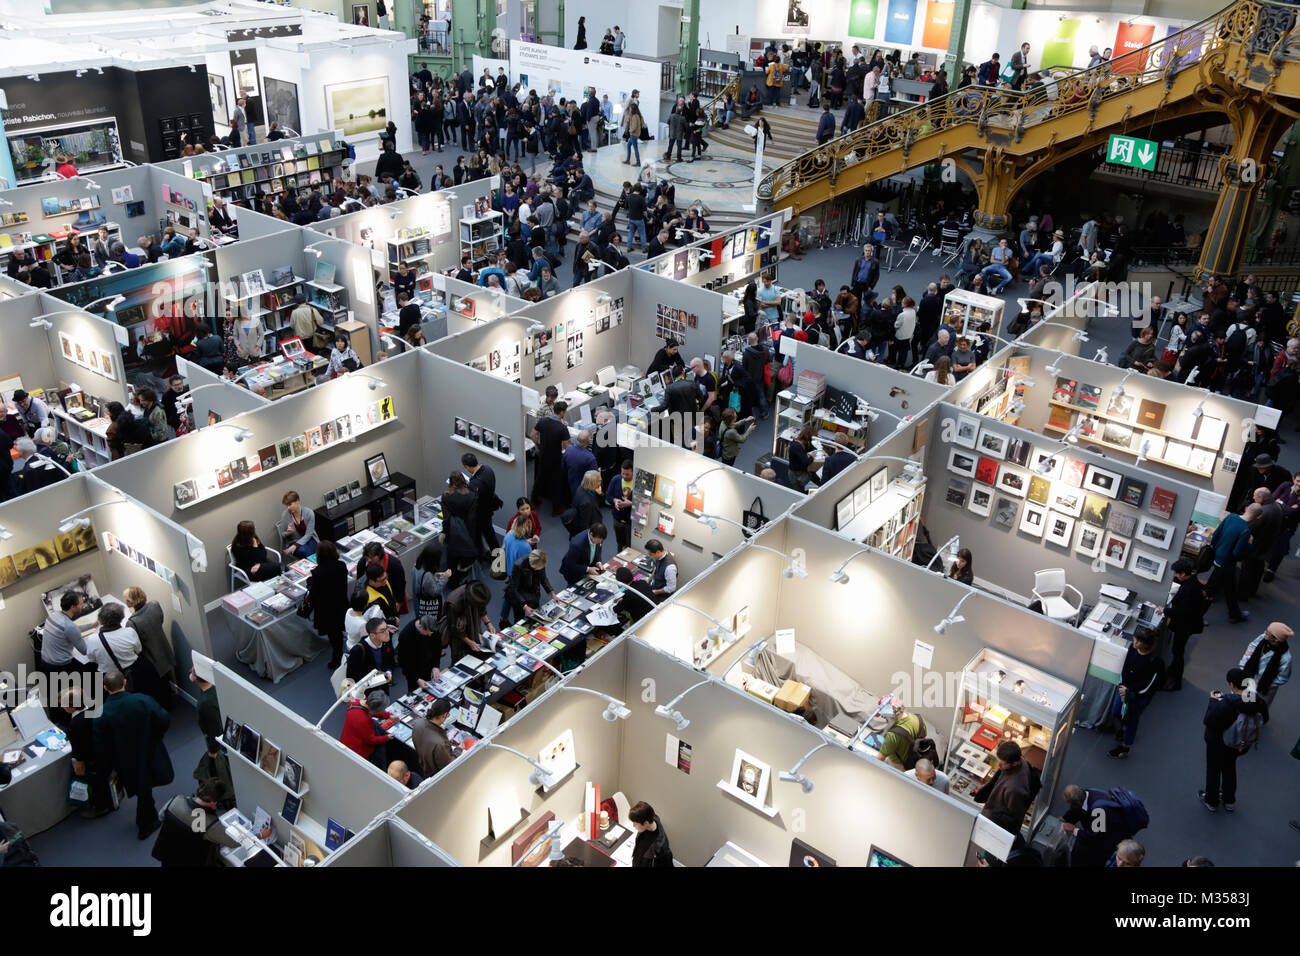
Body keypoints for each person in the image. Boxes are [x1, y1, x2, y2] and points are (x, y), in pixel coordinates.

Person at [94, 670, 173, 840]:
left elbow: (101, 745)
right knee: (145, 786)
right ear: (124, 682)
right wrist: (155, 736)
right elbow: (163, 719)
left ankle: (146, 819)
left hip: (123, 758)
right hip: (148, 749)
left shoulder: (101, 714)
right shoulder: (142, 700)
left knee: (140, 786)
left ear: (105, 688)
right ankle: (146, 823)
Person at [1201, 667, 1270, 812]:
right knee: (1229, 768)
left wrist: (1214, 701)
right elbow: (1265, 718)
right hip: (1240, 745)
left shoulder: (1228, 702)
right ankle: (1229, 800)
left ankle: (1211, 801)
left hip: (1219, 743)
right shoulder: (1256, 701)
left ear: (1232, 685)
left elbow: (1210, 721)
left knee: (1213, 769)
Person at [152, 780, 246, 867]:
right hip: (189, 861)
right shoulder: (210, 824)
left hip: (167, 852)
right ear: (214, 802)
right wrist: (258, 835)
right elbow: (234, 843)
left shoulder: (175, 800)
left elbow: (161, 816)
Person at [1106, 627, 1164, 759]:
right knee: (1116, 711)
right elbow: (1124, 669)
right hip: (1125, 690)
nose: (1135, 643)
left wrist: (1129, 691)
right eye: (1135, 639)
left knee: (1132, 720)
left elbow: (1150, 684)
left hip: (1139, 697)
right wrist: (1122, 687)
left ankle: (1125, 747)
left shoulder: (1155, 661)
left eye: (1138, 641)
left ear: (1147, 644)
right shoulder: (1133, 649)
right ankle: (1123, 730)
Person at [1061, 784, 1138, 868]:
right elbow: (1077, 810)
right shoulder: (1086, 793)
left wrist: (1074, 830)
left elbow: (1093, 837)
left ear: (1078, 803)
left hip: (1111, 841)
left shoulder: (1098, 810)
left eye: (1072, 804)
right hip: (1107, 831)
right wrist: (1065, 818)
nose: (1071, 807)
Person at [123, 587, 174, 710]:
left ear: (130, 602)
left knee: (157, 686)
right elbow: (160, 620)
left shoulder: (132, 623)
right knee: (166, 680)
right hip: (164, 649)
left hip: (150, 657)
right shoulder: (155, 605)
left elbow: (136, 643)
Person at [1161, 559, 1208, 691]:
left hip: (1185, 625)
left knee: (1177, 651)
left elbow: (1182, 612)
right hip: (1188, 624)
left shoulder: (1189, 588)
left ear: (1182, 574)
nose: (1175, 575)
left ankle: (1175, 681)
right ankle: (1172, 672)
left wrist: (1164, 610)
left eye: (1176, 573)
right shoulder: (1192, 582)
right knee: (1177, 650)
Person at [1206, 501, 1254, 623]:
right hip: (1226, 564)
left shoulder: (1231, 516)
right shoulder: (1246, 531)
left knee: (1230, 588)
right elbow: (1237, 554)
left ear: (1246, 508)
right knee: (1208, 592)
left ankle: (1235, 613)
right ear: (1257, 516)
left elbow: (1216, 534)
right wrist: (1249, 545)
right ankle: (1196, 617)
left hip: (1218, 558)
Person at [974, 741, 1040, 824]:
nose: (998, 765)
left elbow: (1011, 817)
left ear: (1014, 764)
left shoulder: (1014, 789)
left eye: (1002, 763)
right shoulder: (1018, 759)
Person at [309, 540, 349, 670]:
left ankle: (337, 659)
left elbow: (314, 594)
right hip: (341, 604)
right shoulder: (342, 566)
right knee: (341, 630)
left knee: (334, 635)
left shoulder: (317, 573)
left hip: (327, 610)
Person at [531, 400, 571, 514]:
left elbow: (533, 434)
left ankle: (533, 501)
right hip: (555, 458)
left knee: (539, 478)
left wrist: (539, 445)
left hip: (543, 455)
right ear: (562, 412)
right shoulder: (562, 428)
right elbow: (567, 446)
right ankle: (556, 508)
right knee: (555, 483)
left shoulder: (543, 421)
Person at [1237, 623, 1292, 707]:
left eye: (1268, 632)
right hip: (1249, 675)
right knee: (1240, 700)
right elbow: (1252, 646)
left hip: (1264, 687)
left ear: (1276, 639)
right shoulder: (1263, 638)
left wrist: (1264, 682)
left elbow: (1282, 678)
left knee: (1256, 708)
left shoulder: (1286, 658)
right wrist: (1244, 663)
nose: (1265, 632)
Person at [41, 590, 94, 674]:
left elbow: (72, 630)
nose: (83, 605)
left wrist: (92, 625)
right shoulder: (69, 626)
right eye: (81, 604)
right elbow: (85, 650)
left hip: (45, 663)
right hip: (60, 668)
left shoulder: (53, 616)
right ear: (73, 607)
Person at [441, 580, 497, 659]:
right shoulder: (453, 604)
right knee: (460, 659)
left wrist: (488, 623)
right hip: (458, 636)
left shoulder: (476, 593)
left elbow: (482, 609)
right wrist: (469, 642)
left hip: (473, 626)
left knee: (478, 651)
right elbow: (454, 628)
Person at [462, 452, 501, 561]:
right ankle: (497, 556)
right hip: (488, 508)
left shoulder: (474, 484)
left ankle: (484, 556)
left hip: (480, 513)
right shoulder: (488, 470)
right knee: (490, 534)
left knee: (479, 535)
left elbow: (471, 500)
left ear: (467, 467)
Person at [354, 540, 408, 617]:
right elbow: (359, 582)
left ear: (379, 555)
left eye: (371, 557)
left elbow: (400, 584)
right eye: (367, 557)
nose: (369, 560)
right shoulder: (363, 563)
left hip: (391, 598)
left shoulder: (394, 564)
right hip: (372, 601)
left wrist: (399, 601)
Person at [342, 689, 392, 768]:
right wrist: (386, 738)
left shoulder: (356, 702)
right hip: (358, 751)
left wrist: (388, 715)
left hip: (346, 742)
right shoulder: (364, 720)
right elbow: (371, 740)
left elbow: (369, 711)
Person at [346, 617, 396, 692]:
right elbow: (351, 677)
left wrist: (389, 672)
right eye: (383, 631)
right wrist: (376, 680)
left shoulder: (386, 641)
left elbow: (389, 661)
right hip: (366, 692)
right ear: (372, 635)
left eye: (387, 628)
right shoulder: (357, 651)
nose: (387, 632)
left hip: (383, 686)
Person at [506, 549, 555, 621]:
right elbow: (514, 588)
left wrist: (552, 593)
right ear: (531, 563)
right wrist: (524, 606)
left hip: (533, 593)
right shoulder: (518, 565)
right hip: (519, 595)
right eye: (535, 568)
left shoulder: (540, 561)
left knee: (537, 616)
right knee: (519, 618)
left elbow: (543, 578)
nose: (537, 570)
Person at [413, 698, 457, 777]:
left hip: (425, 767)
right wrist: (458, 750)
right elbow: (448, 766)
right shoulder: (439, 744)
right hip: (437, 776)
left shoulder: (417, 723)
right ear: (445, 715)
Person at [397, 614, 441, 693]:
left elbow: (437, 648)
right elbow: (403, 662)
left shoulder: (431, 628)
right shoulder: (405, 636)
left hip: (429, 667)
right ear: (420, 627)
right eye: (427, 633)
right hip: (414, 671)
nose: (430, 635)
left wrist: (436, 666)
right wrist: (416, 679)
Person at [878, 702, 926, 770]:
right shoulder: (919, 719)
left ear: (890, 715)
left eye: (884, 716)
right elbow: (923, 739)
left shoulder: (893, 735)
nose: (885, 719)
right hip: (915, 760)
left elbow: (879, 758)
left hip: (899, 766)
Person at [275, 490, 318, 559]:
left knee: (309, 551)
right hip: (294, 540)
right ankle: (312, 566)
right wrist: (288, 533)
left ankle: (310, 566)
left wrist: (295, 545)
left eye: (290, 504)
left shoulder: (309, 513)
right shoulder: (285, 515)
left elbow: (309, 534)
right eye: (287, 505)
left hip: (310, 539)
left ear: (297, 501)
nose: (288, 508)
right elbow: (282, 534)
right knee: (304, 551)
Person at [629, 801, 673, 867]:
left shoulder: (658, 848)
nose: (633, 825)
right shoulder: (653, 818)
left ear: (646, 823)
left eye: (635, 823)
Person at [604, 460, 636, 551]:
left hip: (631, 522)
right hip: (617, 519)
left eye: (627, 474)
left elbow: (644, 504)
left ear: (633, 472)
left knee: (631, 545)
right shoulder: (615, 480)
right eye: (623, 473)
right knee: (620, 543)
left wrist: (631, 504)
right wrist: (614, 500)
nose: (624, 476)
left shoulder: (638, 484)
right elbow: (608, 496)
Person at [562, 431, 599, 502]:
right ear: (588, 441)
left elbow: (563, 467)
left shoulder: (568, 449)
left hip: (571, 483)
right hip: (585, 489)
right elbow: (595, 478)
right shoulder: (590, 458)